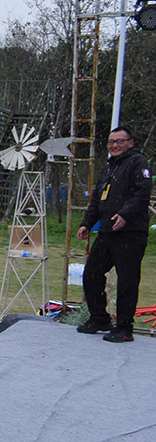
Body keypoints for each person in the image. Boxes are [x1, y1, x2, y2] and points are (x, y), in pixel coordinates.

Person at [76, 125, 153, 343]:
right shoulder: (109, 166)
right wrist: (87, 223)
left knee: (127, 280)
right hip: (107, 231)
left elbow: (142, 193)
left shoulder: (138, 162)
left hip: (130, 232)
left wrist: (125, 214)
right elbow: (97, 198)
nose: (115, 146)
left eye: (119, 141)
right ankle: (99, 318)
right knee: (91, 274)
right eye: (111, 142)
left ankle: (124, 328)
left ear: (130, 143)